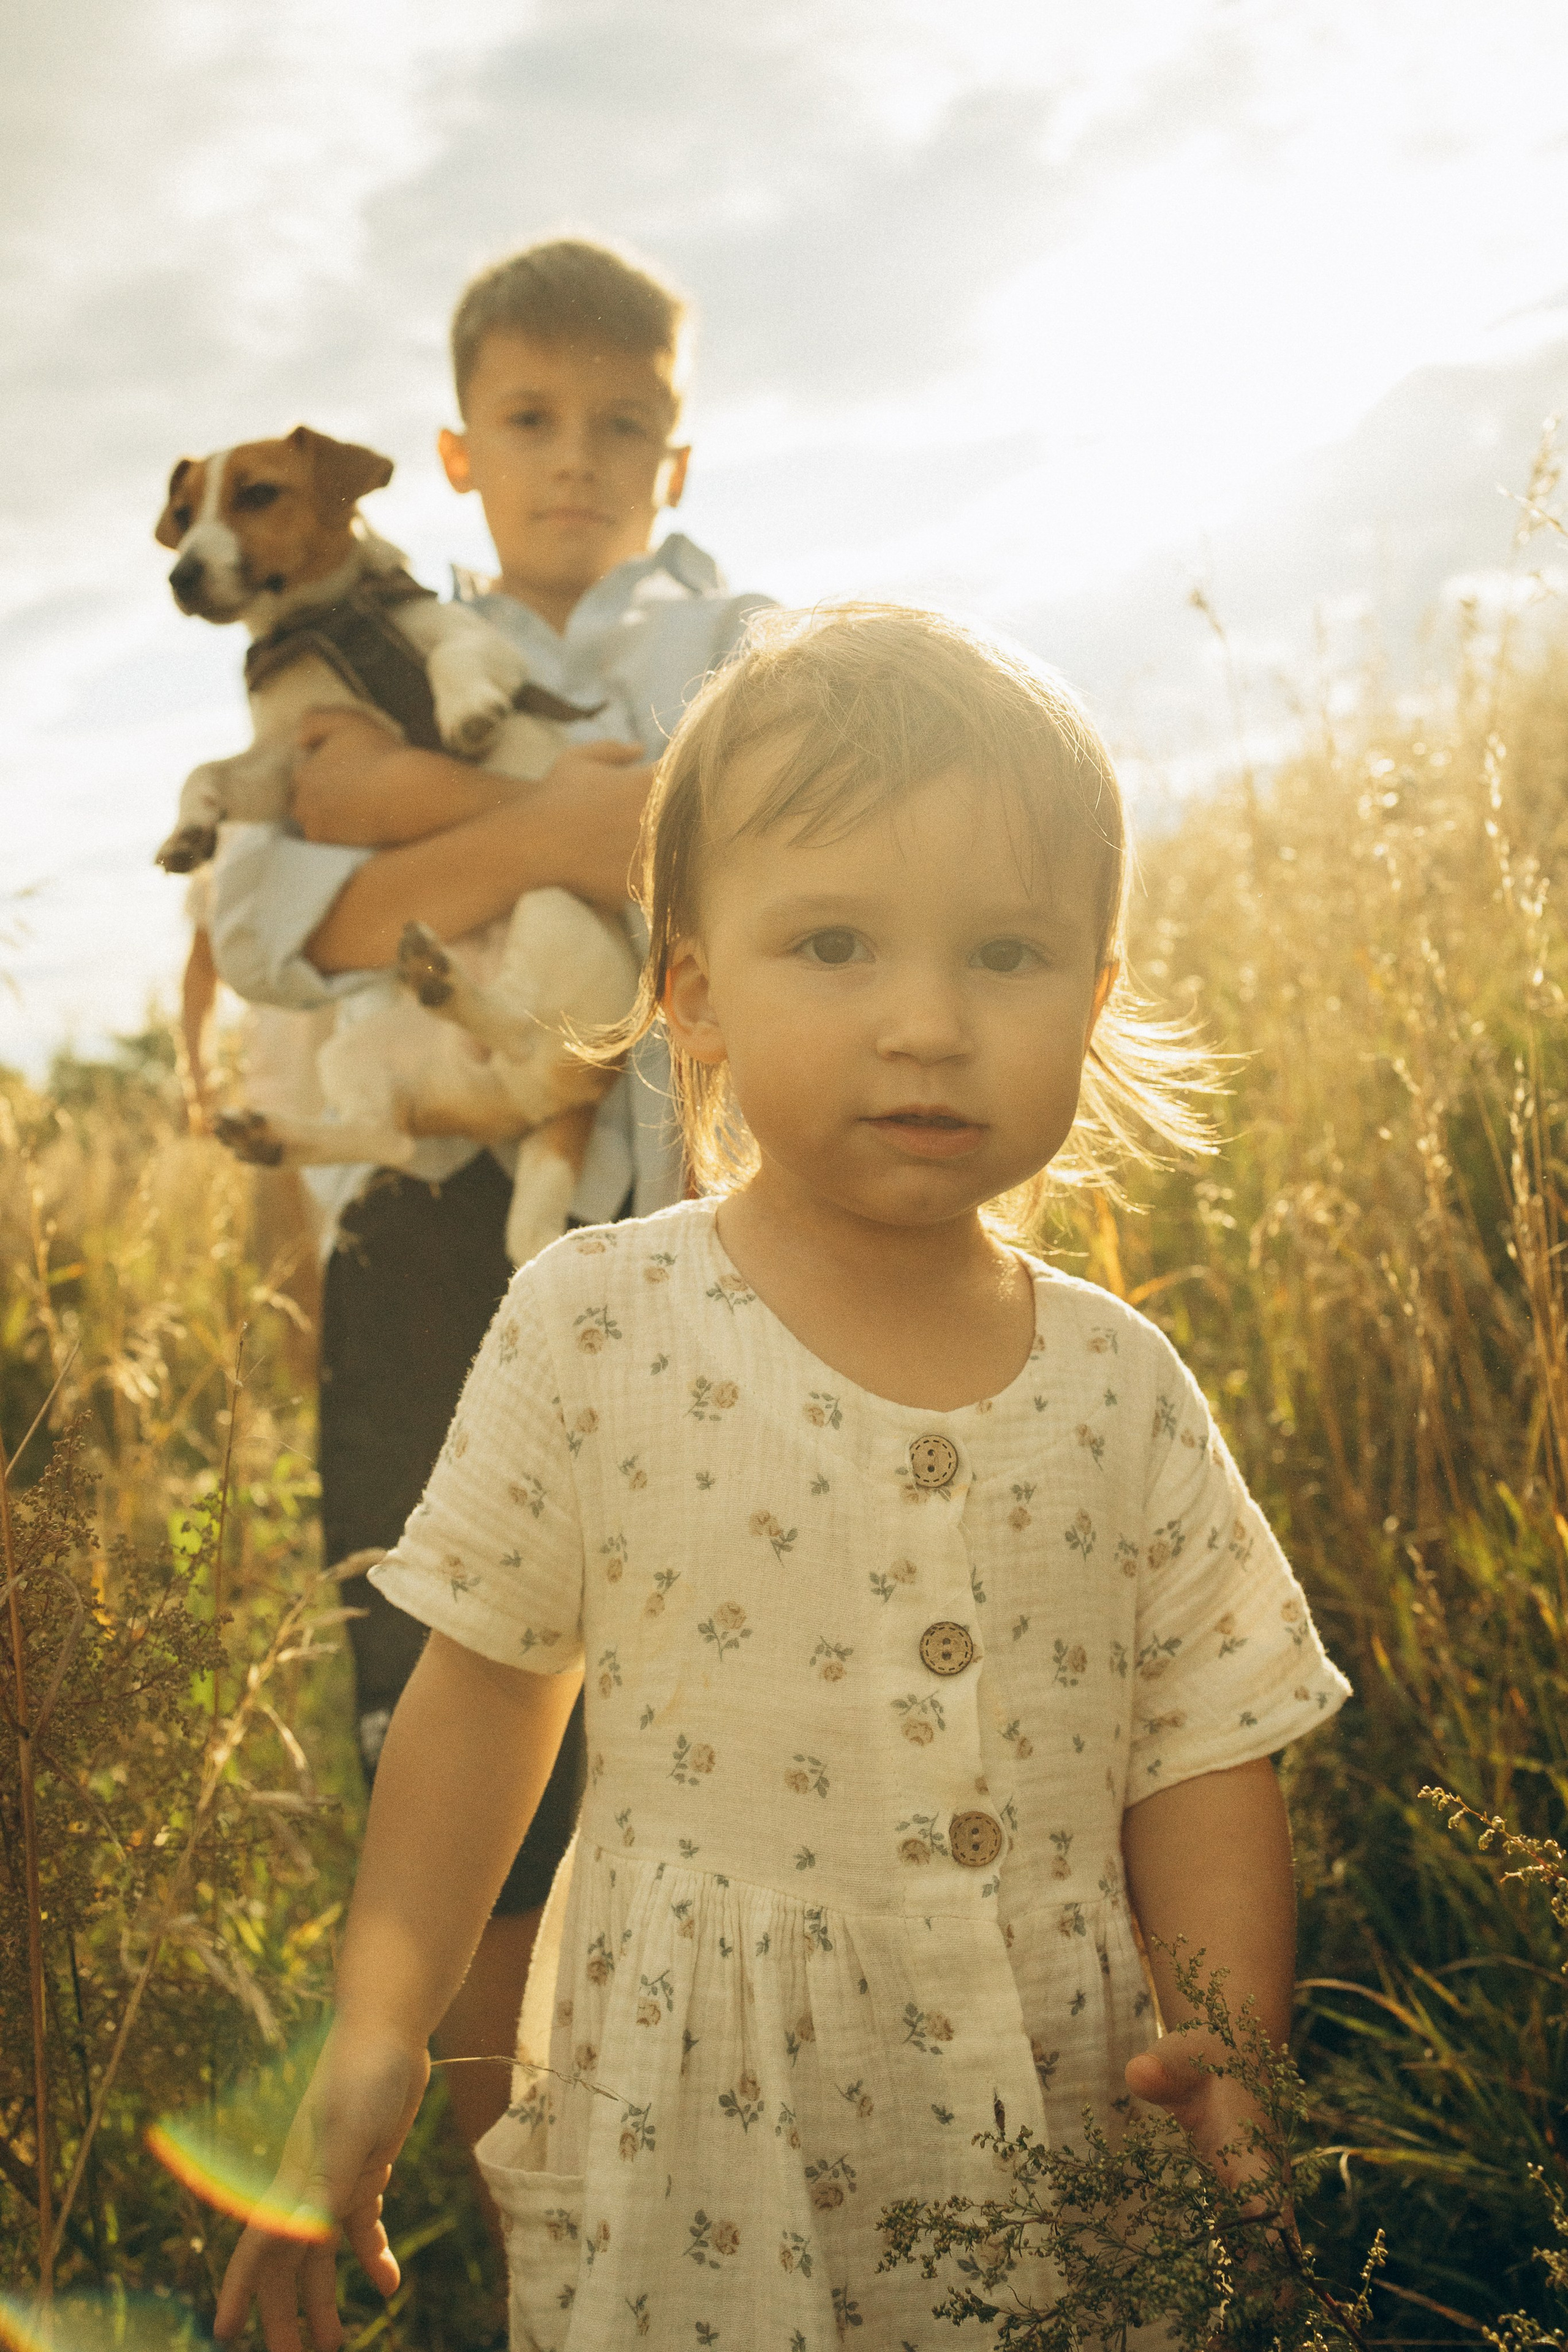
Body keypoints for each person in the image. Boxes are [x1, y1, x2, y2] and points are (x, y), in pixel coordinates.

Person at [214, 605, 1352, 2350]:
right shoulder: (601, 1321)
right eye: (834, 942)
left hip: (1068, 2113)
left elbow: (1201, 1748)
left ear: (1099, 992)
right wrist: (374, 2038)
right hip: (703, 2138)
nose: (926, 1022)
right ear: (692, 988)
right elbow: (484, 1701)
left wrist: (1231, 2050)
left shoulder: (1122, 1384)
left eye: (1008, 954)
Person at [206, 237, 771, 2170]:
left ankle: (702, 2178)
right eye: (530, 420)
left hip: (696, 1227)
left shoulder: (745, 652)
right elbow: (279, 927)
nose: (577, 460)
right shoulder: (362, 650)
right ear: (451, 454)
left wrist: (471, 852)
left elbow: (779, 867)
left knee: (707, 1694)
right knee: (457, 1690)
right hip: (430, 1250)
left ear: (677, 464)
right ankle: (503, 2203)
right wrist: (550, 830)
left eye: (627, 426)